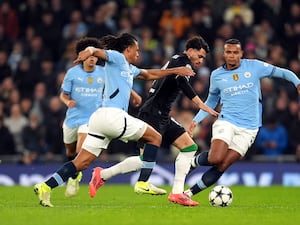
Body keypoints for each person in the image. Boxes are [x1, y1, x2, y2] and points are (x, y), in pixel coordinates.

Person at [33, 32, 195, 207]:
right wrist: (89, 51)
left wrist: (175, 71)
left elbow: (149, 74)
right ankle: (143, 183)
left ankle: (45, 186)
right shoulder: (117, 58)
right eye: (136, 50)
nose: (138, 54)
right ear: (127, 49)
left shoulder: (129, 68)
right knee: (155, 137)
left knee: (81, 162)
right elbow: (97, 51)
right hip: (113, 116)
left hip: (99, 119)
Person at [88, 35, 219, 206]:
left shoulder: (177, 59)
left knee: (189, 147)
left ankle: (177, 193)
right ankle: (117, 178)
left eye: (203, 58)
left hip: (160, 114)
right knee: (145, 160)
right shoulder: (183, 63)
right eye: (200, 56)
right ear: (191, 51)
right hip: (153, 114)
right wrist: (201, 104)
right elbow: (182, 83)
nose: (201, 61)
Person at [183, 38, 300, 202]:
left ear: (241, 53)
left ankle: (187, 194)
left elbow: (281, 72)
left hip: (250, 128)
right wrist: (197, 120)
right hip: (227, 121)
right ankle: (191, 163)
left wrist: (297, 82)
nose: (232, 56)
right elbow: (211, 101)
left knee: (222, 165)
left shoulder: (254, 66)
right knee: (216, 158)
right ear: (224, 54)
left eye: (235, 52)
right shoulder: (216, 75)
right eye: (228, 52)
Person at [60, 37, 143, 197]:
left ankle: (74, 176)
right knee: (70, 151)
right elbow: (63, 95)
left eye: (94, 56)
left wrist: (133, 93)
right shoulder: (72, 73)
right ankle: (73, 171)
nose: (92, 59)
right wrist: (67, 101)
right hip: (72, 118)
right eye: (89, 55)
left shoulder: (103, 71)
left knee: (80, 149)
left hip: (91, 117)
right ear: (82, 56)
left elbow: (118, 82)